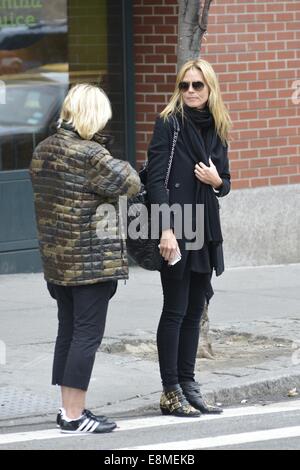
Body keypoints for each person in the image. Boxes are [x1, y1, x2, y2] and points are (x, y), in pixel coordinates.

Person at [30, 84, 140, 433]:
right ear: (93, 116)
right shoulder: (90, 154)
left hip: (57, 261)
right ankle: (75, 416)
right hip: (90, 263)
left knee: (69, 331)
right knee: (86, 336)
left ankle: (68, 410)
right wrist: (104, 149)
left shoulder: (43, 150)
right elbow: (130, 182)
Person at [147, 59, 231, 417]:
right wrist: (165, 229)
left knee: (197, 309)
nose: (191, 91)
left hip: (205, 225)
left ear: (209, 88)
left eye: (198, 85)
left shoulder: (217, 126)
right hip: (177, 224)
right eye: (185, 85)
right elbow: (155, 179)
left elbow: (225, 182)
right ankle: (170, 390)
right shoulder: (169, 123)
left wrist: (217, 182)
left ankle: (188, 383)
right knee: (176, 308)